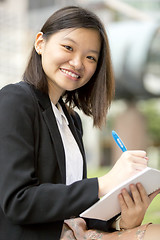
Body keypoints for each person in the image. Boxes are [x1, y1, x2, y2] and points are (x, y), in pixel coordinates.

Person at [0, 6, 159, 240]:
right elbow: (17, 201)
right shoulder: (15, 100)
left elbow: (74, 209)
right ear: (40, 44)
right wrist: (103, 183)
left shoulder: (71, 120)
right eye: (68, 47)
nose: (77, 62)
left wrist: (124, 219)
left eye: (90, 57)